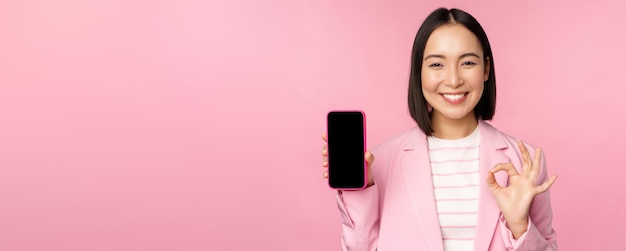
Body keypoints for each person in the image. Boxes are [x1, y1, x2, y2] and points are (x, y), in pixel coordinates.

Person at [320, 8, 558, 251]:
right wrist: (358, 189)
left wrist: (519, 226)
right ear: (419, 72)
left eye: (467, 62)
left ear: (486, 69)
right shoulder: (379, 164)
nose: (453, 80)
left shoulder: (523, 162)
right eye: (436, 64)